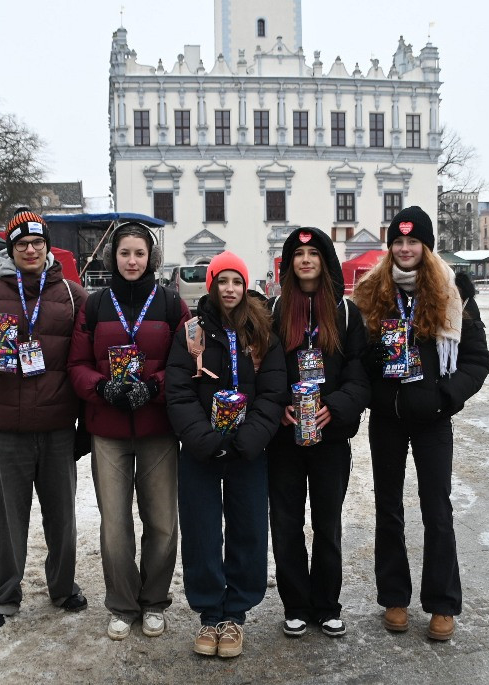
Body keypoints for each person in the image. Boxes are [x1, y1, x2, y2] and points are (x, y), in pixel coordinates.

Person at [354, 206, 489, 642]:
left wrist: (446, 397)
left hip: (433, 419)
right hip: (388, 419)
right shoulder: (371, 292)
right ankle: (395, 597)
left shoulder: (453, 292)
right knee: (388, 509)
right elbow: (356, 358)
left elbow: (476, 358)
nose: (405, 248)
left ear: (426, 247)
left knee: (437, 509)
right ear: (390, 246)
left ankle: (442, 604)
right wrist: (375, 373)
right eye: (398, 241)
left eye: (413, 242)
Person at [0, 209, 89, 632]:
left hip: (57, 427)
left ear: (47, 247)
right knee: (9, 516)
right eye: (21, 244)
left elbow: (88, 356)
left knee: (62, 515)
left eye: (37, 243)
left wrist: (87, 422)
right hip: (7, 428)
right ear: (10, 249)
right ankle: (3, 597)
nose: (30, 250)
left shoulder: (72, 294)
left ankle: (63, 588)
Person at [67, 221, 190, 641]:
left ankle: (154, 600)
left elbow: (186, 362)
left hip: (157, 427)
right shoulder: (96, 304)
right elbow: (76, 365)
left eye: (139, 253)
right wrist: (102, 387)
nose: (132, 261)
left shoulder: (172, 304)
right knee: (114, 524)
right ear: (113, 258)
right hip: (109, 430)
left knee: (161, 522)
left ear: (151, 258)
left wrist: (154, 387)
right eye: (124, 253)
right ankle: (122, 602)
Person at [165, 251, 286, 658]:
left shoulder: (261, 330)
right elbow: (179, 391)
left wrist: (250, 437)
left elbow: (273, 392)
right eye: (222, 281)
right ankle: (208, 613)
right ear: (212, 285)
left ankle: (235, 613)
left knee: (247, 529)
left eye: (237, 281)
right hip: (202, 450)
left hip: (248, 451)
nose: (230, 289)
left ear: (245, 285)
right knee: (201, 531)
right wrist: (204, 438)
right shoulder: (192, 331)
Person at [267, 227, 370, 639]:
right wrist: (278, 409)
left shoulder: (346, 314)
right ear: (289, 263)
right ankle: (296, 604)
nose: (306, 260)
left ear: (326, 263)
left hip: (329, 438)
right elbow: (261, 372)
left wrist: (337, 407)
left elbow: (360, 376)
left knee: (327, 523)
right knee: (287, 523)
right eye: (298, 254)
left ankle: (327, 604)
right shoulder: (273, 312)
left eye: (314, 253)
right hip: (285, 439)